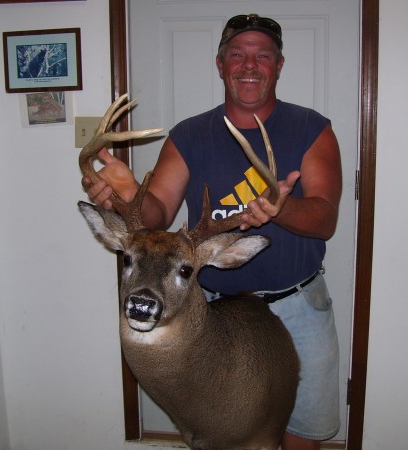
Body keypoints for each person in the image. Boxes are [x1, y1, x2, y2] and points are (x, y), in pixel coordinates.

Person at [83, 13, 342, 450]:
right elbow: (158, 212)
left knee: (302, 435)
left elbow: (325, 220)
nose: (249, 65)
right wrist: (128, 195)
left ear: (279, 65)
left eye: (263, 56)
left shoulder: (311, 129)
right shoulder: (190, 135)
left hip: (296, 305)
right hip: (220, 318)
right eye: (237, 55)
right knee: (219, 429)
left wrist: (282, 209)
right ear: (220, 64)